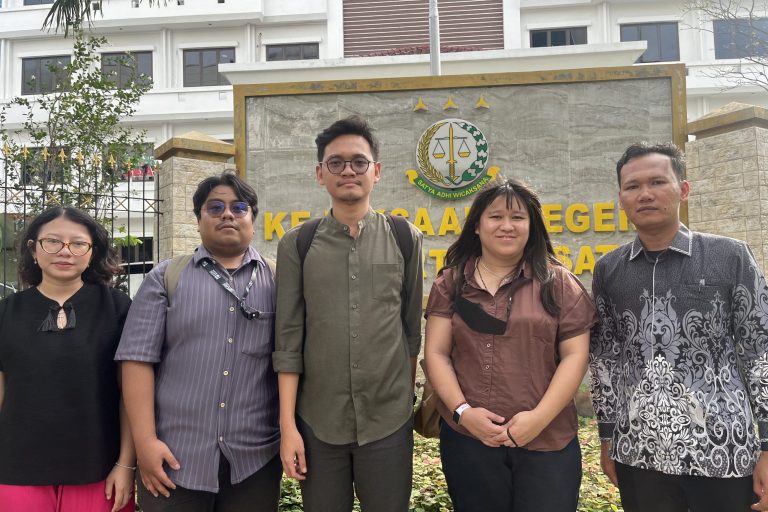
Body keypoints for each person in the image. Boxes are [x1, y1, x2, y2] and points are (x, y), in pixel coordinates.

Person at [589, 142, 768, 512]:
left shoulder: (729, 256)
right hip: (638, 453)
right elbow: (606, 359)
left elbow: (759, 351)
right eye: (632, 186)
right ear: (621, 199)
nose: (645, 194)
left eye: (657, 182)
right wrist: (607, 438)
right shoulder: (609, 270)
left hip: (722, 449)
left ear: (683, 189)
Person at [273, 115, 424, 512]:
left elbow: (411, 330)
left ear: (377, 171)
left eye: (359, 161)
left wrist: (403, 399)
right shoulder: (298, 245)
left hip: (388, 421)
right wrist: (288, 427)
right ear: (320, 174)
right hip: (318, 421)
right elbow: (288, 340)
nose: (348, 171)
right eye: (336, 162)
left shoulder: (405, 238)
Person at [424, 178, 597, 512]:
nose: (507, 225)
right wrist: (463, 413)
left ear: (532, 226)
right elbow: (436, 353)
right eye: (495, 217)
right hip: (470, 441)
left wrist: (538, 419)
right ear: (477, 226)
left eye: (517, 217)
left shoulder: (558, 283)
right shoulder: (451, 283)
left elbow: (576, 356)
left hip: (547, 442)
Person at [115, 172, 281, 512]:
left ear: (252, 218)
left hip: (255, 461)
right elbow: (136, 361)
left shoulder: (279, 279)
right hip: (173, 460)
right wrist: (145, 444)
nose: (227, 214)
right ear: (198, 219)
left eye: (239, 207)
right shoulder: (165, 277)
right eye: (215, 207)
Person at [0, 206, 135, 512]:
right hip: (15, 467)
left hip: (100, 467)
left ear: (92, 252)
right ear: (33, 249)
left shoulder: (118, 309)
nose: (65, 251)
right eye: (52, 241)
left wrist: (126, 464)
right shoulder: (7, 312)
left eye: (77, 243)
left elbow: (130, 394)